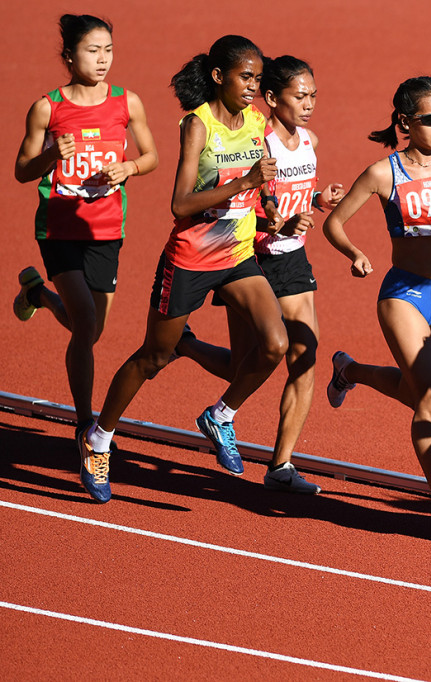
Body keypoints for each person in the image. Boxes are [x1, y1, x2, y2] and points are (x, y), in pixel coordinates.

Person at [76, 35, 288, 503]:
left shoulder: (256, 122)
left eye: (257, 77)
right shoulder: (199, 124)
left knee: (275, 346)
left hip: (237, 256)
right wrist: (245, 182)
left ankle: (221, 415)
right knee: (153, 356)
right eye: (245, 77)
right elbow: (181, 203)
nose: (254, 86)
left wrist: (270, 207)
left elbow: (263, 183)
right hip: (191, 258)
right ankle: (99, 437)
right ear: (219, 76)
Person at [322, 76, 431, 533]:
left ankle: (350, 371)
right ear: (405, 121)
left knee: (419, 392)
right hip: (404, 293)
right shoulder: (385, 173)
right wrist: (356, 254)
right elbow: (334, 224)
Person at [174, 56, 344, 494]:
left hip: (292, 259)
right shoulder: (257, 140)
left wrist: (318, 203)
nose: (308, 105)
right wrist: (276, 225)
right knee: (243, 365)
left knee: (304, 358)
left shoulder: (309, 139)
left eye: (313, 96)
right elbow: (250, 204)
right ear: (272, 98)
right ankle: (188, 350)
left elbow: (294, 195)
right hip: (249, 256)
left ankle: (281, 466)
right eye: (299, 96)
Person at [13, 14, 158, 434]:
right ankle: (84, 422)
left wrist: (129, 166)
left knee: (89, 331)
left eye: (108, 50)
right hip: (59, 227)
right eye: (92, 50)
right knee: (86, 324)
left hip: (107, 229)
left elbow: (151, 156)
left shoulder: (126, 102)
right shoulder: (47, 107)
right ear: (69, 55)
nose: (102, 59)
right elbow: (23, 171)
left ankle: (38, 294)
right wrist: (52, 156)